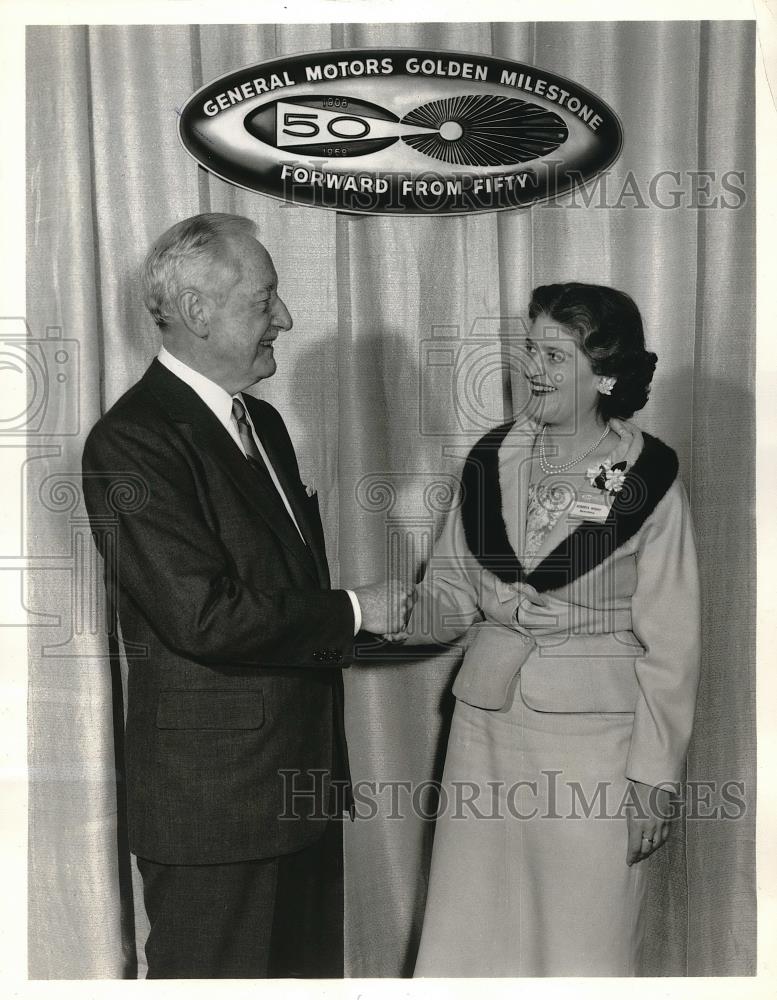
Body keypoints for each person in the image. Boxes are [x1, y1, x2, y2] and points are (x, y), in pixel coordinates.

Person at [81, 213, 408, 979]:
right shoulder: (130, 442)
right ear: (197, 311)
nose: (285, 320)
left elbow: (278, 596)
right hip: (216, 816)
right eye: (265, 302)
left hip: (299, 797)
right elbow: (202, 615)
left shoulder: (259, 421)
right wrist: (356, 609)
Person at [401, 282, 701, 976]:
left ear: (603, 373)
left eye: (554, 355)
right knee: (470, 938)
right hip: (486, 734)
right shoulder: (490, 457)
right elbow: (445, 593)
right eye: (529, 349)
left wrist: (653, 778)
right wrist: (359, 617)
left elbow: (675, 643)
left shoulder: (647, 476)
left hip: (595, 747)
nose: (532, 367)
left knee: (584, 945)